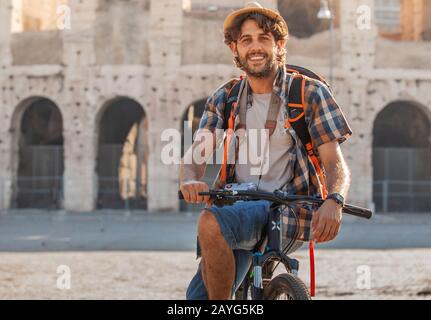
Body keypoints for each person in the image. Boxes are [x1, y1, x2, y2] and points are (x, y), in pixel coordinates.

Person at [179, 2, 352, 300]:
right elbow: (197, 153)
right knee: (194, 301)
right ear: (235, 49)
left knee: (209, 221)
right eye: (246, 40)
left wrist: (335, 201)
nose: (255, 47)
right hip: (236, 208)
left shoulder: (308, 93)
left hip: (289, 211)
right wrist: (189, 179)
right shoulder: (226, 97)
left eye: (263, 38)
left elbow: (335, 162)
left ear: (279, 45)